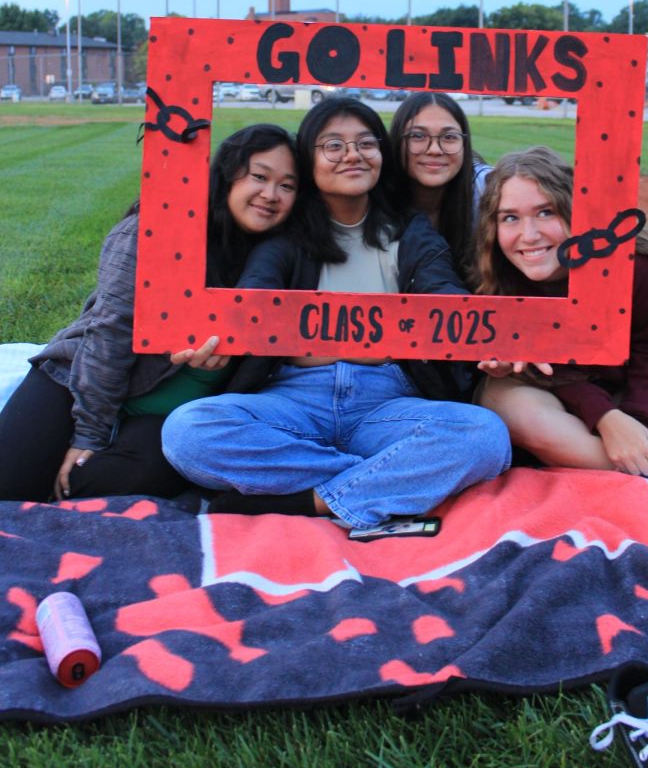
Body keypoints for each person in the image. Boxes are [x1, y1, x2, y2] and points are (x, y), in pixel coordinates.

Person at [162, 95, 511, 528]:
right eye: (333, 145)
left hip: (385, 402)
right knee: (186, 433)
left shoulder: (410, 229)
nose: (352, 155)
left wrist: (489, 339)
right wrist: (212, 334)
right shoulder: (288, 233)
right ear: (310, 160)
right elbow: (251, 296)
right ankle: (383, 478)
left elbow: (446, 294)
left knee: (486, 437)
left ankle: (309, 503)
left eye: (366, 143)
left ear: (381, 156)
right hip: (293, 399)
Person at [0, 123, 298, 503]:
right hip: (84, 381)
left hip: (164, 417)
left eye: (287, 186)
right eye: (259, 176)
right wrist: (89, 432)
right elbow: (109, 336)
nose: (270, 195)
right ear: (227, 176)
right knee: (8, 484)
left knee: (104, 483)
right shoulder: (153, 231)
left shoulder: (285, 255)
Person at [473, 146, 648, 479]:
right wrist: (605, 419)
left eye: (546, 212)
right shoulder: (500, 272)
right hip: (543, 388)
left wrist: (633, 423)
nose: (529, 234)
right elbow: (543, 371)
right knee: (516, 412)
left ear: (575, 211)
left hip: (617, 379)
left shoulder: (635, 267)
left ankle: (600, 456)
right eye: (510, 217)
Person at [389, 92, 491, 280]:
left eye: (449, 137)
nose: (434, 150)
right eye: (418, 136)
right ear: (397, 141)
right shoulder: (374, 197)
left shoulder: (487, 188)